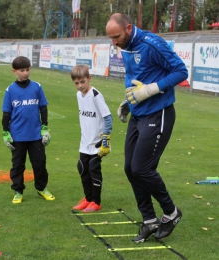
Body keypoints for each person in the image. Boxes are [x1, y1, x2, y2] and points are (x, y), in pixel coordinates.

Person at [106, 13, 188, 242]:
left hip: (158, 113)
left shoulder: (152, 44)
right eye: (111, 38)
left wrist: (151, 90)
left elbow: (181, 71)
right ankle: (150, 220)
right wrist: (130, 102)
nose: (115, 42)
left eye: (117, 36)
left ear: (129, 28)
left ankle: (171, 213)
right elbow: (138, 78)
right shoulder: (126, 46)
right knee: (130, 169)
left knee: (142, 168)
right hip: (139, 114)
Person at [1, 56, 55, 204]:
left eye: (28, 69)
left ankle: (41, 188)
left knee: (40, 163)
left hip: (35, 135)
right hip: (17, 136)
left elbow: (43, 108)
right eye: (22, 70)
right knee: (18, 165)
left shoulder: (37, 87)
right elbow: (6, 114)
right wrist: (5, 133)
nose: (25, 73)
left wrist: (44, 128)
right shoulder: (10, 90)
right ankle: (18, 191)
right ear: (14, 71)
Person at [71, 64, 113, 213]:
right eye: (76, 83)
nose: (80, 86)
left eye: (83, 82)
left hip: (97, 142)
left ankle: (96, 202)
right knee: (82, 168)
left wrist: (106, 140)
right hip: (85, 142)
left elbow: (108, 118)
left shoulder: (96, 95)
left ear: (89, 78)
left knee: (94, 169)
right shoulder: (78, 95)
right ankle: (88, 199)